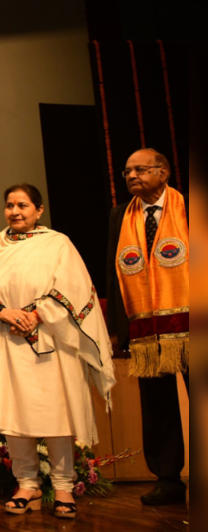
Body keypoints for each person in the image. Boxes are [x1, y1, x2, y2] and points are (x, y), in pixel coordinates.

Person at [0, 184, 115, 520]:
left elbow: (74, 287)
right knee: (14, 415)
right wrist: (3, 311)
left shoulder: (57, 244)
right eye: (9, 205)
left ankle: (63, 486)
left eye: (22, 205)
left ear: (39, 210)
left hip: (51, 339)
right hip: (6, 339)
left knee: (56, 414)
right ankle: (27, 485)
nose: (15, 211)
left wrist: (35, 315)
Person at [105, 149, 189, 507]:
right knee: (158, 407)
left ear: (164, 172)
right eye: (127, 172)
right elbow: (114, 271)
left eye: (140, 170)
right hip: (146, 327)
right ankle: (168, 480)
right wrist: (116, 328)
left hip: (193, 323)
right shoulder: (120, 215)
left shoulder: (188, 207)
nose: (132, 176)